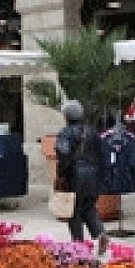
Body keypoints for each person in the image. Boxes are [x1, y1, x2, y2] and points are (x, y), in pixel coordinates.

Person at [55, 100, 109, 255]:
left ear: (67, 116)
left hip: (75, 177)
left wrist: (62, 174)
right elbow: (102, 154)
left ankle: (78, 247)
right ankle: (100, 233)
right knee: (89, 208)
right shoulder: (92, 132)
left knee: (74, 212)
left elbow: (64, 153)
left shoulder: (66, 133)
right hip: (93, 177)